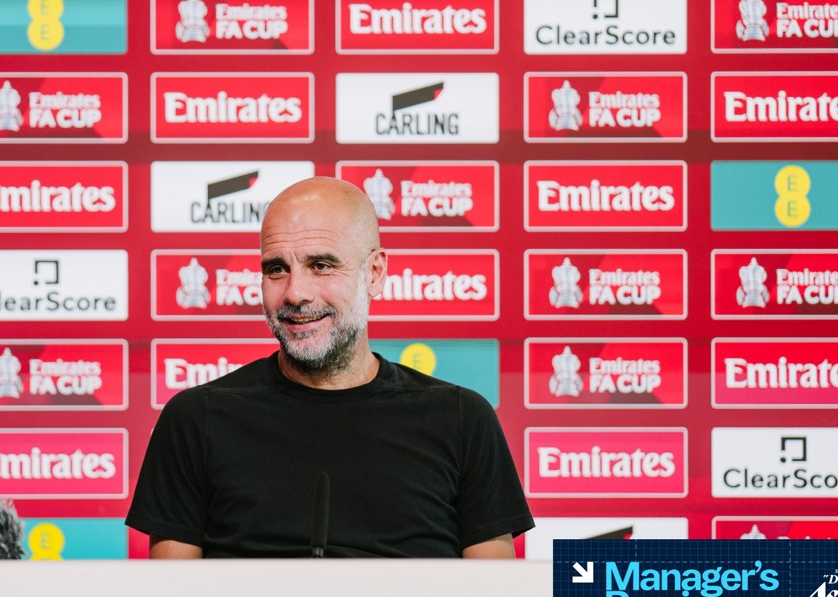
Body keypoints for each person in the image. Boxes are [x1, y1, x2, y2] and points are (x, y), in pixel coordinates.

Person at [126, 177, 534, 558]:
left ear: (374, 273)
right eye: (276, 269)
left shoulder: (462, 419)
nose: (295, 293)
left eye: (321, 265)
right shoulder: (197, 419)